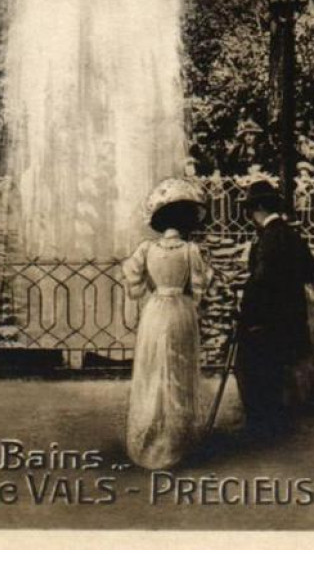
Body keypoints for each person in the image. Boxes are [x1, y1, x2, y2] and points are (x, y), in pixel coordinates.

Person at [122, 177, 211, 470]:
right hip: (180, 312)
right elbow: (199, 287)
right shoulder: (190, 251)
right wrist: (189, 304)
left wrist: (150, 287)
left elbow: (132, 279)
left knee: (153, 370)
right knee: (178, 371)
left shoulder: (147, 249)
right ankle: (177, 440)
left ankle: (151, 436)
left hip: (155, 310)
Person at [234, 177, 314, 439]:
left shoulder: (268, 238)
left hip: (268, 316)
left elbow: (261, 280)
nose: (250, 216)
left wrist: (244, 311)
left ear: (258, 209)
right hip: (291, 315)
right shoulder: (292, 234)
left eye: (251, 210)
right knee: (280, 368)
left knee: (254, 367)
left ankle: (262, 426)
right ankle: (278, 421)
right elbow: (312, 272)